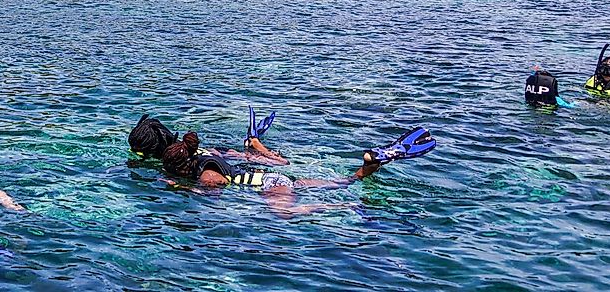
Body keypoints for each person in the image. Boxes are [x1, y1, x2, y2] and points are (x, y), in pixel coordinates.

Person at [161, 112, 435, 218]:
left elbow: (217, 186)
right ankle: (370, 163)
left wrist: (186, 189)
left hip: (272, 186)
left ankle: (346, 206)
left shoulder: (205, 174)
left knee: (285, 215)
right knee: (345, 181)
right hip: (275, 178)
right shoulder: (203, 158)